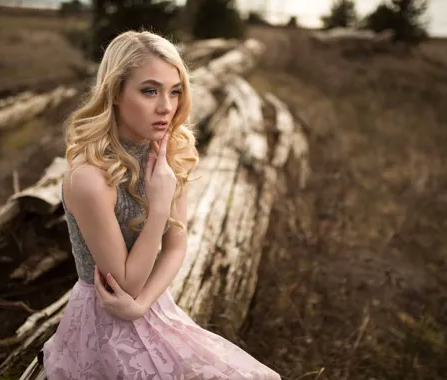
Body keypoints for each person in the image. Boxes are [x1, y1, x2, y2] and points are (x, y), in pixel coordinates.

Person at [40, 30, 282, 379]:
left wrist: (141, 307)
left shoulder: (172, 154)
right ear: (116, 93)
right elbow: (125, 284)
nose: (166, 107)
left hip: (151, 304)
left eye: (175, 91)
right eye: (149, 90)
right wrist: (158, 207)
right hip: (104, 322)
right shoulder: (89, 180)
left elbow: (176, 246)